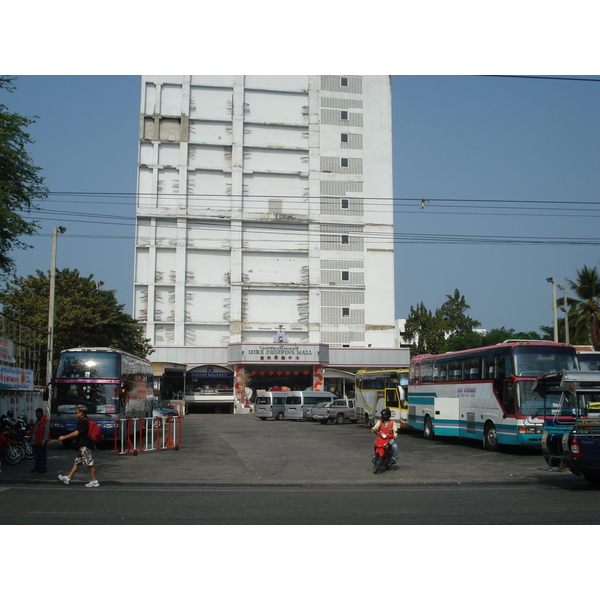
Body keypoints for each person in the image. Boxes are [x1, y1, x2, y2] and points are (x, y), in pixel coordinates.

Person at [57, 405, 99, 488]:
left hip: (84, 445)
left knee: (89, 463)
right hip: (83, 445)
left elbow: (76, 433)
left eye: (76, 412)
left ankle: (94, 481)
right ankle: (68, 478)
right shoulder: (85, 420)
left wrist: (64, 437)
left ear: (81, 413)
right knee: (77, 462)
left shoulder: (83, 421)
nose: (75, 414)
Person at [31, 408, 50, 473]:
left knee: (42, 455)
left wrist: (44, 440)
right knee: (36, 456)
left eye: (37, 413)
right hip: (35, 441)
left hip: (41, 441)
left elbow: (46, 432)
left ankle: (43, 468)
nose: (36, 415)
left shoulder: (45, 421)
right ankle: (37, 467)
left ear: (41, 413)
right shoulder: (38, 421)